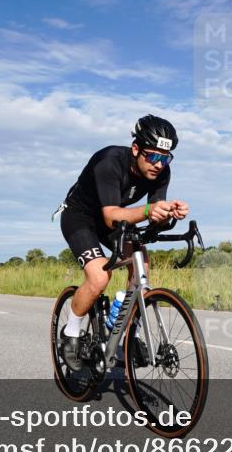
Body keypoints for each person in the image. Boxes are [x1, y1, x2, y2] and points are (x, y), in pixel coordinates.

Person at [57, 115, 189, 370]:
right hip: (80, 217)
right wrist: (149, 210)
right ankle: (70, 333)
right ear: (136, 149)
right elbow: (111, 216)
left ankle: (130, 335)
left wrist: (168, 213)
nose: (159, 164)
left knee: (141, 268)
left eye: (165, 158)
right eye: (153, 156)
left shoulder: (161, 171)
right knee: (99, 277)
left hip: (118, 219)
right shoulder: (109, 162)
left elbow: (153, 214)